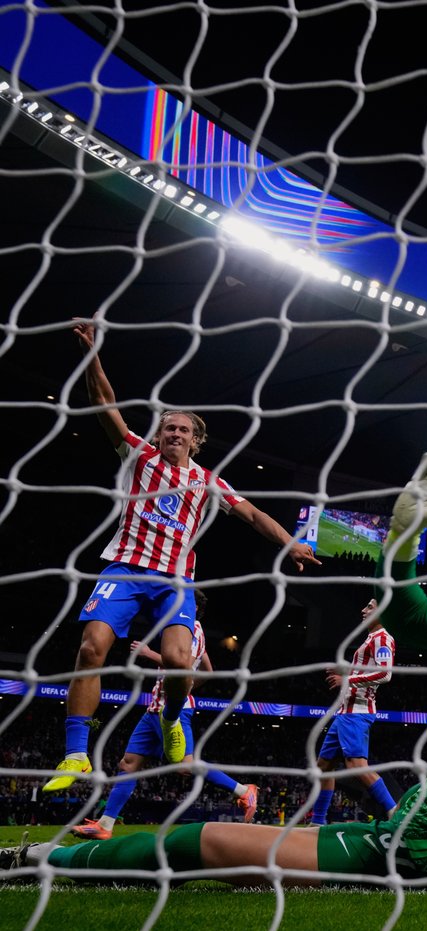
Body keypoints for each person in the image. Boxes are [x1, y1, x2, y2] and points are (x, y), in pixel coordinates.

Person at [7, 451, 427, 910]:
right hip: (411, 835)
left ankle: (40, 862)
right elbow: (409, 611)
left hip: (415, 858)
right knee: (256, 851)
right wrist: (401, 540)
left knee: (210, 842)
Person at [47, 321, 319, 793]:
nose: (173, 433)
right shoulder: (138, 456)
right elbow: (103, 404)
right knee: (91, 648)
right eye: (168, 426)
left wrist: (290, 543)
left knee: (178, 662)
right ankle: (75, 754)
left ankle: (172, 718)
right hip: (127, 568)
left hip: (175, 580)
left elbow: (252, 515)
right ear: (159, 433)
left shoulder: (208, 481)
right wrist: (91, 354)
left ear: (196, 441)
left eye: (182, 430)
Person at [71, 590, 259, 839]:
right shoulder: (182, 629)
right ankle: (105, 825)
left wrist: (149, 655)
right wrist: (189, 685)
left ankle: (243, 791)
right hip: (155, 708)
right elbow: (207, 669)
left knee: (185, 765)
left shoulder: (190, 628)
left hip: (174, 709)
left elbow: (183, 661)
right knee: (128, 764)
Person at [308, 598, 398, 824]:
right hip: (345, 712)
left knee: (357, 767)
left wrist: (347, 678)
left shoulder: (383, 638)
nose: (363, 609)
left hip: (357, 712)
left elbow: (385, 674)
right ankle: (317, 822)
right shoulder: (370, 638)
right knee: (324, 767)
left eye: (370, 606)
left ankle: (394, 811)